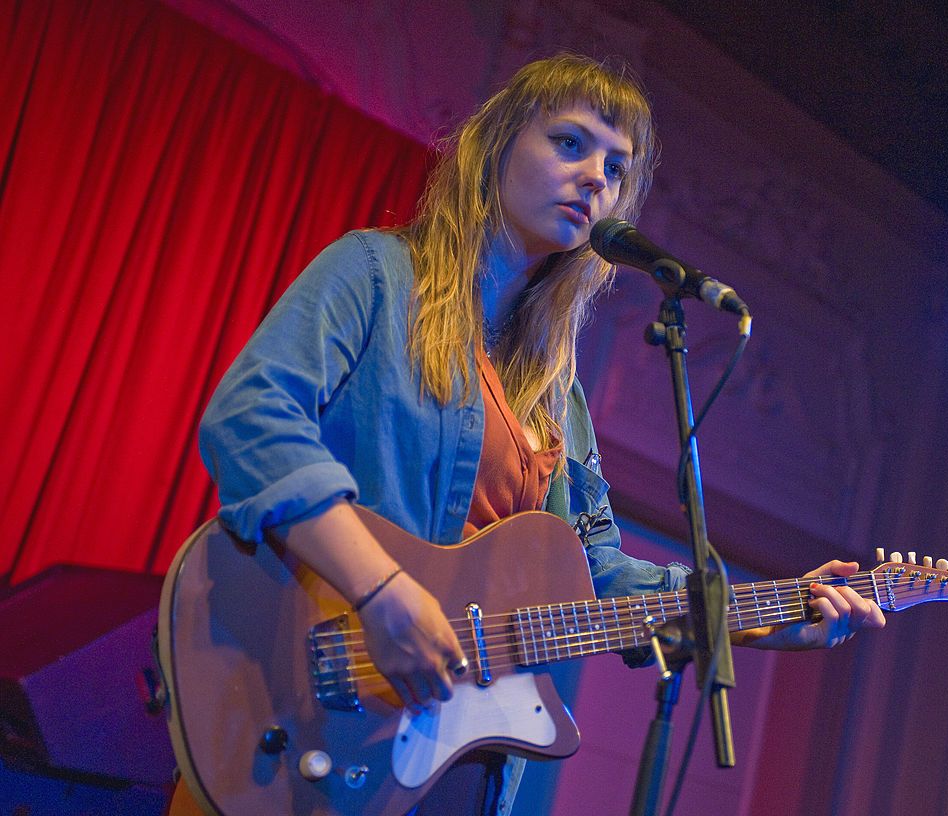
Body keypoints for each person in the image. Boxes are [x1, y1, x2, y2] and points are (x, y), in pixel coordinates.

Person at [174, 53, 884, 816]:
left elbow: (596, 575)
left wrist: (769, 615)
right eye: (571, 143)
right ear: (496, 147)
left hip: (456, 765)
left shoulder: (558, 396)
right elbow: (251, 418)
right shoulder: (377, 276)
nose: (596, 180)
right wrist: (381, 592)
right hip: (313, 706)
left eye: (616, 168)